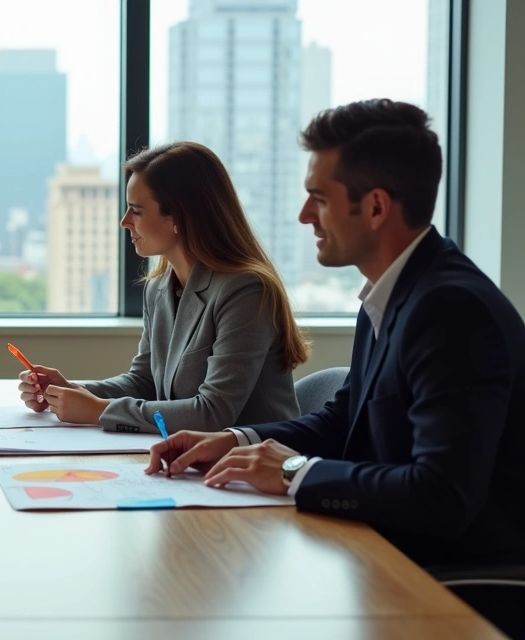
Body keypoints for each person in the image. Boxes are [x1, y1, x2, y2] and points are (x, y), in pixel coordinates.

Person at [146, 100, 525, 637]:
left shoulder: (451, 309)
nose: (305, 215)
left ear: (375, 207)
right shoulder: (390, 295)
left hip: (456, 582)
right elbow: (343, 420)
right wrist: (234, 440)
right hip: (383, 550)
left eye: (319, 198)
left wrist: (294, 472)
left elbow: (441, 496)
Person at [18, 142, 308, 433]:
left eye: (136, 211)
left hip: (254, 455)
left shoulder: (245, 290)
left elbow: (214, 412)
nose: (124, 222)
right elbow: (144, 382)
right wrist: (70, 392)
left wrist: (98, 410)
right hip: (191, 451)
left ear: (179, 217)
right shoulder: (158, 288)